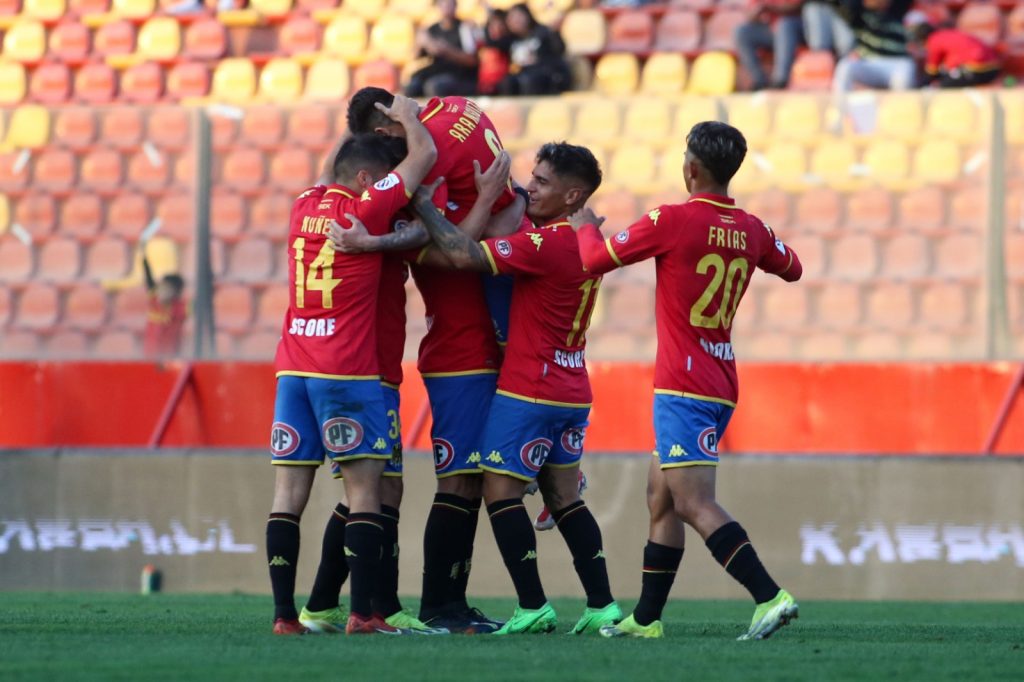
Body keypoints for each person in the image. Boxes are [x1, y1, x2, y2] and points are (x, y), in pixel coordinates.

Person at [572, 121, 803, 641]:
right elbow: (793, 268)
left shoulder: (672, 220)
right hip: (719, 379)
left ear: (691, 168)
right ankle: (647, 620)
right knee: (661, 497)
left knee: (695, 502)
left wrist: (585, 223)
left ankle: (770, 595)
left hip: (683, 384)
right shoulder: (752, 228)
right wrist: (754, 246)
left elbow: (592, 261)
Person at [409, 142, 622, 635]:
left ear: (573, 196)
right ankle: (602, 606)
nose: (529, 188)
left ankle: (532, 605)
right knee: (566, 498)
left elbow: (462, 253)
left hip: (530, 389)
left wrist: (425, 205)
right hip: (573, 386)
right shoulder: (588, 243)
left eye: (542, 182)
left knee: (499, 490)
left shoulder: (545, 246)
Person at [345, 87, 525, 633]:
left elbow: (466, 240)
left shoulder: (426, 162)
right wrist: (498, 204)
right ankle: (438, 605)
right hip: (459, 351)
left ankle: (448, 602)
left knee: (469, 480)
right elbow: (457, 251)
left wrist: (491, 210)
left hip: (478, 340)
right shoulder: (452, 113)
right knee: (459, 481)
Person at [265, 95, 436, 636]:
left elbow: (329, 168)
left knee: (288, 497)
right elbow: (425, 153)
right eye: (381, 178)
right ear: (366, 177)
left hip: (293, 368)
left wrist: (351, 127)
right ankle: (364, 614)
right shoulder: (365, 210)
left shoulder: (303, 203)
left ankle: (284, 617)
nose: (390, 188)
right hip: (347, 370)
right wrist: (406, 114)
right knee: (365, 493)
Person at [829, 0, 916, 93]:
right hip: (869, 63)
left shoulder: (899, 12)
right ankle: (840, 106)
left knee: (905, 71)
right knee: (845, 67)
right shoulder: (858, 16)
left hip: (897, 63)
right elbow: (837, 4)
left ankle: (900, 107)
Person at [406, 0, 479, 98]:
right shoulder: (432, 29)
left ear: (455, 5)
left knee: (434, 86)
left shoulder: (464, 28)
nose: (446, 7)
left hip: (459, 75)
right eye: (443, 3)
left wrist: (446, 50)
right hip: (437, 71)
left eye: (449, 4)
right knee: (412, 86)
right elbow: (414, 56)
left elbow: (472, 61)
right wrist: (420, 42)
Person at [498, 3, 571, 96]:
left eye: (518, 16)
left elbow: (559, 50)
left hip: (545, 76)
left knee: (530, 80)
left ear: (527, 16)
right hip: (522, 76)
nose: (515, 21)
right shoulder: (510, 40)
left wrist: (555, 33)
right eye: (511, 18)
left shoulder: (543, 32)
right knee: (507, 82)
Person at [907, 17, 1001, 88]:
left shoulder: (933, 40)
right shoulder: (946, 34)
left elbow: (932, 72)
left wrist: (919, 86)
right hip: (993, 67)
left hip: (975, 68)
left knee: (943, 86)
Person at [141, 246, 186, 359]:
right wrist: (144, 260)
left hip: (169, 358)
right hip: (149, 357)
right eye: (161, 287)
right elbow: (149, 281)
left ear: (176, 293)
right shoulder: (154, 300)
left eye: (167, 289)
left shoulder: (179, 307)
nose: (162, 292)